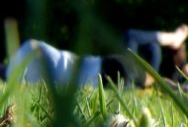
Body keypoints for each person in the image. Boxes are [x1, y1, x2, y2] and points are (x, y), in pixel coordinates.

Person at [5, 39, 142, 87]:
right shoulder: (17, 64)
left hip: (99, 71)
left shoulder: (15, 76)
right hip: (99, 67)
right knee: (141, 77)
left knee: (140, 78)